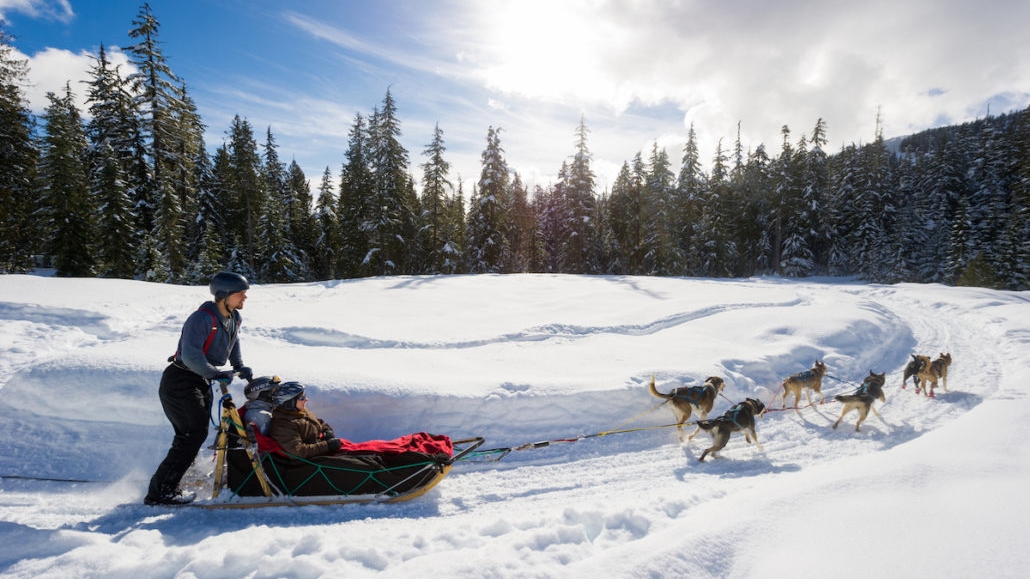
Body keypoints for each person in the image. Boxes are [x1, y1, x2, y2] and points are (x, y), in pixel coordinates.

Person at [144, 271, 254, 506]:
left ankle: (174, 482)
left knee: (194, 433)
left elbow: (233, 342)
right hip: (180, 380)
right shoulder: (201, 318)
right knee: (191, 434)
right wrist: (214, 374)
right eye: (240, 293)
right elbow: (191, 355)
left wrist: (239, 366)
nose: (245, 297)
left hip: (200, 380)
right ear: (224, 295)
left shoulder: (233, 317)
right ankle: (160, 491)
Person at [266, 382, 342, 459]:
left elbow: (318, 422)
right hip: (305, 463)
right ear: (289, 402)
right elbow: (298, 451)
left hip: (318, 450)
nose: (306, 399)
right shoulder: (282, 425)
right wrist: (327, 446)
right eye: (302, 397)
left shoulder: (299, 412)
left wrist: (327, 430)